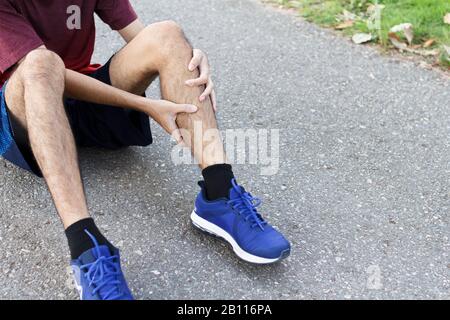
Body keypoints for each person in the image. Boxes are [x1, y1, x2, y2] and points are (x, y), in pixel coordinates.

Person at [0, 0, 290, 300]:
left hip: (88, 100)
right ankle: (86, 248)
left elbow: (143, 39)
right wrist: (145, 105)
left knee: (168, 33)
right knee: (40, 64)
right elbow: (46, 71)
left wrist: (185, 56)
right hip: (24, 114)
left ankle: (219, 192)